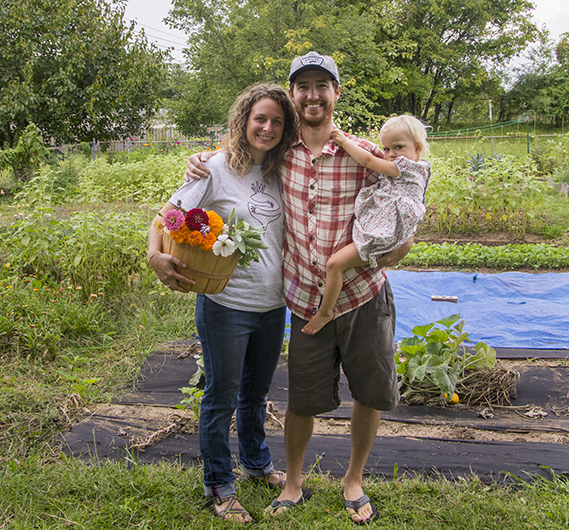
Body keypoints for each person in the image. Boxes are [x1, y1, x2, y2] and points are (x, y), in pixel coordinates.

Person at [185, 52, 413, 524]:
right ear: (294, 95)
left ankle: (354, 480)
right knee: (303, 398)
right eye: (303, 86)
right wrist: (201, 160)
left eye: (321, 86)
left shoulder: (362, 151)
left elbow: (407, 192)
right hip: (307, 300)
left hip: (363, 294)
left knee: (369, 393)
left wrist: (405, 244)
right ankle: (291, 481)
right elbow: (233, 160)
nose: (312, 95)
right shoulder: (277, 156)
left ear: (336, 93)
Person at [148, 83, 299, 524]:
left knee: (255, 394)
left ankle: (256, 463)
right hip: (226, 305)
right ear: (244, 120)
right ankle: (219, 484)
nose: (267, 128)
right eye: (260, 119)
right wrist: (155, 254)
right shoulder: (213, 168)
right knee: (221, 397)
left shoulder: (283, 169)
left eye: (276, 121)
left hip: (273, 305)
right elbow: (167, 215)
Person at [301, 115, 430, 335]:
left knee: (335, 265)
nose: (390, 154)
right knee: (338, 264)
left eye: (398, 147)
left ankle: (325, 312)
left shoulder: (404, 168)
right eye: (387, 148)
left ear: (417, 148)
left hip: (383, 234)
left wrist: (343, 142)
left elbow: (370, 162)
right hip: (387, 231)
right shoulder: (422, 168)